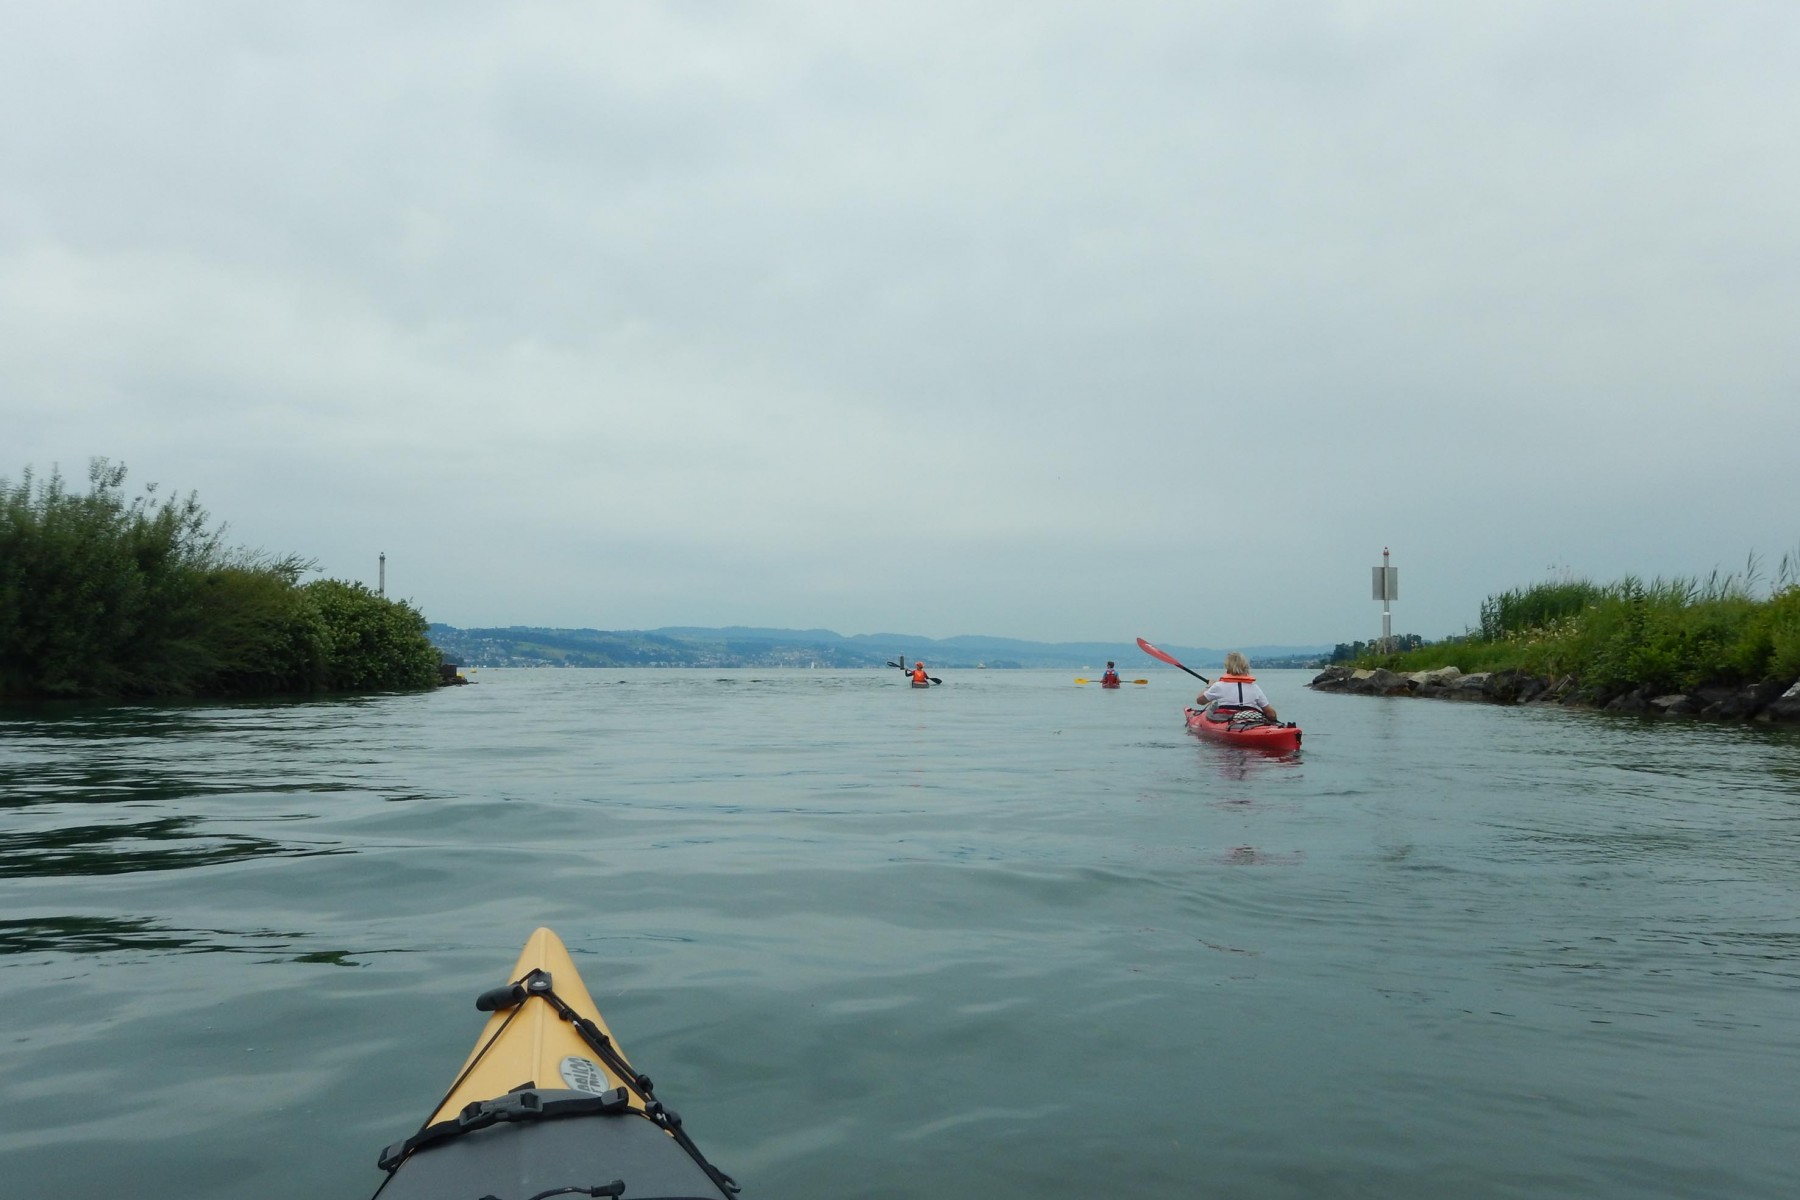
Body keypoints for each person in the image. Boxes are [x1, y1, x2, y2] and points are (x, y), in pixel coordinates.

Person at [1199, 651, 1278, 722]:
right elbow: (1271, 714)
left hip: (1226, 719)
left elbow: (1200, 701)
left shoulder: (1219, 685)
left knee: (1212, 706)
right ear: (1245, 666)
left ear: (1227, 667)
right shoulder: (1254, 687)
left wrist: (1209, 686)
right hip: (1249, 718)